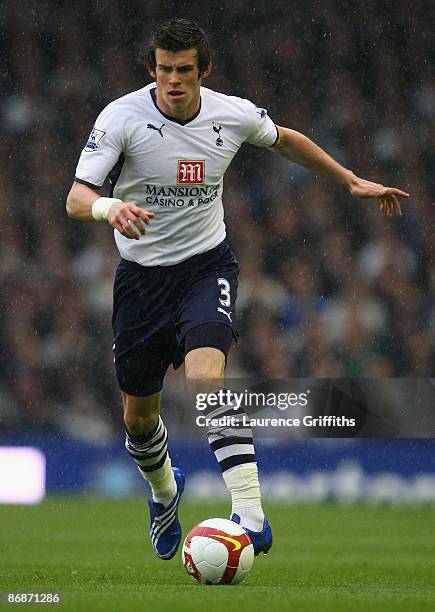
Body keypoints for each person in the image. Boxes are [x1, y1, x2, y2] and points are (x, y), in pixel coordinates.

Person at [66, 19, 409, 561]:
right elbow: (77, 197)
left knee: (208, 382)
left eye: (183, 70)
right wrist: (113, 207)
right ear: (151, 69)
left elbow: (285, 140)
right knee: (138, 418)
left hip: (207, 268)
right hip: (141, 281)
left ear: (205, 71)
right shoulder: (121, 118)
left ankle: (250, 512)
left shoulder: (233, 113)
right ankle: (164, 493)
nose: (172, 80)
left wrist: (349, 180)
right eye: (163, 70)